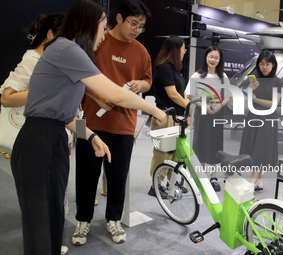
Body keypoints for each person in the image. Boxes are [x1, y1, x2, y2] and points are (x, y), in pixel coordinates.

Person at [10, 0, 166, 254]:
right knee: (41, 223)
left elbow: (61, 113)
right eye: (102, 27)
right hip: (41, 142)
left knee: (51, 219)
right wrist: (154, 109)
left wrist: (91, 136)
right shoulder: (67, 50)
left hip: (52, 136)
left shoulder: (66, 50)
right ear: (89, 25)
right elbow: (115, 95)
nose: (103, 34)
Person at [72, 0, 152, 245]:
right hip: (89, 123)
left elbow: (148, 81)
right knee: (86, 176)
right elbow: (79, 77)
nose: (137, 30)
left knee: (118, 178)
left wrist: (141, 85)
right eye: (133, 23)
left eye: (141, 26)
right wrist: (98, 97)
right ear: (119, 18)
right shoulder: (98, 43)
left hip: (124, 125)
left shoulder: (141, 51)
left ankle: (114, 221)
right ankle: (82, 222)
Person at [0, 13, 69, 255]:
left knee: (54, 201)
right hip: (35, 137)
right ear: (50, 35)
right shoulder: (32, 59)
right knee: (40, 205)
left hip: (56, 136)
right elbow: (6, 97)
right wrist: (42, 90)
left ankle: (49, 242)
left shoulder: (54, 60)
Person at [185, 45, 231, 192]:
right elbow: (191, 96)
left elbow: (228, 96)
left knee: (215, 144)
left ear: (220, 60)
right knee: (200, 143)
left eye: (216, 58)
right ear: (206, 57)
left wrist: (219, 107)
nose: (213, 60)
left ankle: (213, 177)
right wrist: (203, 106)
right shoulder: (197, 75)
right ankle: (200, 176)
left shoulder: (223, 76)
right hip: (201, 113)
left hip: (217, 113)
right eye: (211, 56)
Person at [148, 35, 189, 196]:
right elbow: (172, 94)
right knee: (163, 153)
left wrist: (188, 111)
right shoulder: (163, 68)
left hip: (178, 117)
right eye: (182, 49)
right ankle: (155, 185)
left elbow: (182, 93)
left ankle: (171, 183)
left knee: (175, 153)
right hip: (165, 117)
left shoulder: (176, 71)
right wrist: (190, 106)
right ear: (175, 50)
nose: (184, 52)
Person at [239, 50, 281, 191]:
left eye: (267, 64)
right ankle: (259, 181)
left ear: (273, 65)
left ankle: (251, 184)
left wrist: (256, 99)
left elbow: (273, 104)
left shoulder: (277, 81)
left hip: (267, 118)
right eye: (262, 64)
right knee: (254, 147)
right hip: (254, 116)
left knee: (259, 149)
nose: (264, 67)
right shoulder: (254, 79)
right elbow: (248, 101)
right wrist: (250, 90)